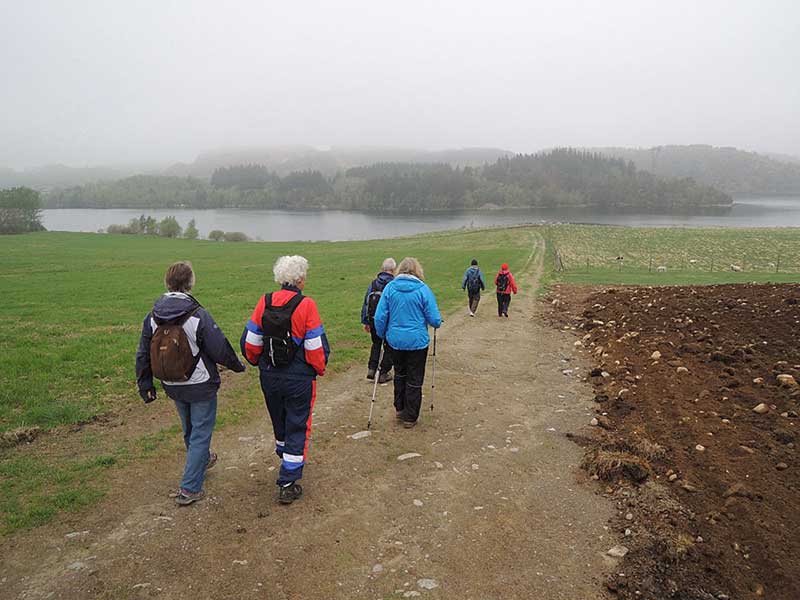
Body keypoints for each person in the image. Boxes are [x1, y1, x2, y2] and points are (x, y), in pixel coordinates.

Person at [136, 261, 245, 506]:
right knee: (200, 432)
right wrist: (237, 366)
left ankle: (202, 460)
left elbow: (143, 353)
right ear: (190, 283)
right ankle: (189, 488)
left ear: (167, 283)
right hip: (200, 383)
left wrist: (146, 384)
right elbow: (219, 347)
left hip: (171, 381)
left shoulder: (152, 317)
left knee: (190, 429)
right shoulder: (198, 315)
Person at [241, 255, 330, 505]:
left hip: (269, 375)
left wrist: (259, 363)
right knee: (298, 423)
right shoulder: (307, 305)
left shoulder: (265, 301)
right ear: (300, 279)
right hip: (299, 378)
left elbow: (250, 342)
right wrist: (319, 369)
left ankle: (285, 454)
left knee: (279, 420)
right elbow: (315, 347)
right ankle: (288, 481)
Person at [373, 257, 442, 428]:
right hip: (417, 343)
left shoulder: (390, 288)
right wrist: (437, 322)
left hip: (395, 341)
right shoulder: (423, 290)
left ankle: (400, 408)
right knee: (415, 378)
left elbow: (380, 316)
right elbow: (434, 319)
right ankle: (410, 416)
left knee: (400, 374)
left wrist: (382, 335)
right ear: (418, 271)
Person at [361, 258, 396, 383]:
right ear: (393, 270)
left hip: (373, 320)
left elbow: (366, 302)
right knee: (389, 347)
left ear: (382, 269)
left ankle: (371, 368)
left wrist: (365, 321)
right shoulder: (393, 284)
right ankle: (383, 372)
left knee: (376, 344)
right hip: (389, 322)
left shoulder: (373, 283)